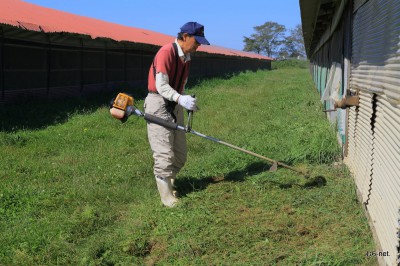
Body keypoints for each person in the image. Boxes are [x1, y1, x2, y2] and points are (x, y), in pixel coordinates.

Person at [144, 22, 210, 207]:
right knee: (164, 152)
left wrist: (185, 100)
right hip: (158, 103)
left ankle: (170, 183)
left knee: (180, 154)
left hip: (174, 105)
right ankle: (167, 199)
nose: (198, 46)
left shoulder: (186, 57)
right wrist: (180, 99)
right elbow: (161, 85)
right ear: (185, 36)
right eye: (197, 41)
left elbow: (180, 84)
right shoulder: (167, 52)